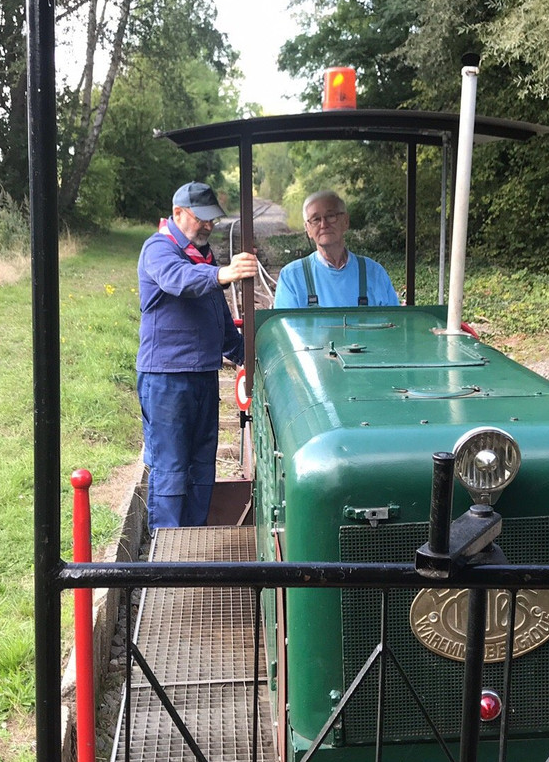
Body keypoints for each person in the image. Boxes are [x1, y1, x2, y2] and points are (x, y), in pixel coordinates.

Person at [136, 181, 259, 532]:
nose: (208, 225)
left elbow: (217, 314)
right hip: (166, 379)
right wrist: (223, 274)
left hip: (204, 375)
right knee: (171, 468)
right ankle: (168, 552)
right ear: (178, 213)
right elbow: (179, 280)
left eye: (212, 219)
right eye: (201, 218)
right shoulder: (158, 249)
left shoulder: (203, 255)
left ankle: (195, 537)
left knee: (203, 465)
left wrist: (245, 355)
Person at [273, 190, 400, 308]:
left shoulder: (374, 273)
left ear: (345, 221)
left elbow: (395, 324)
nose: (324, 224)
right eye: (316, 219)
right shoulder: (291, 277)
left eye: (330, 216)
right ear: (308, 229)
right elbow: (285, 330)